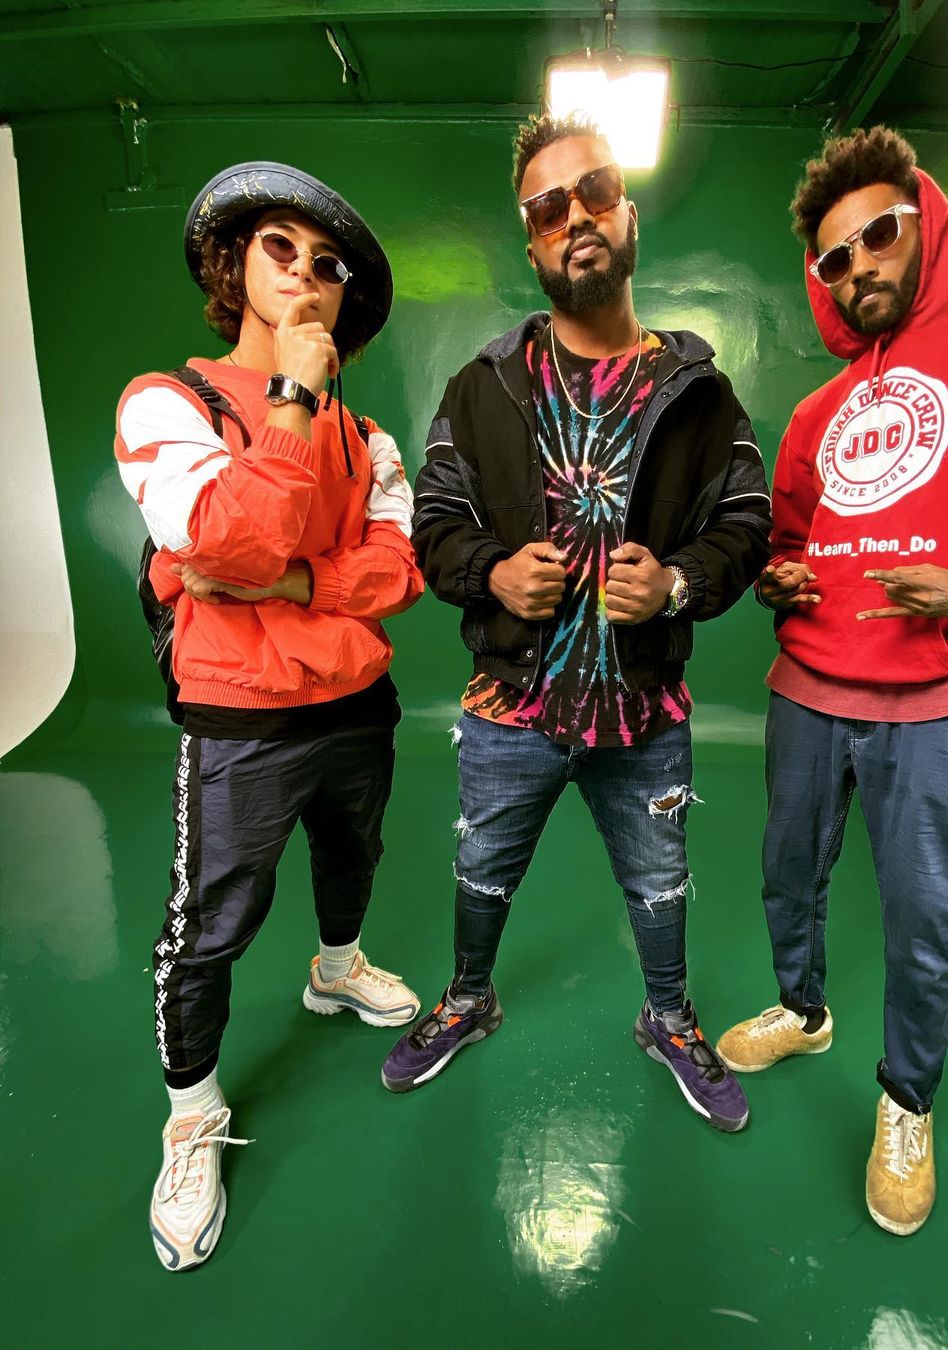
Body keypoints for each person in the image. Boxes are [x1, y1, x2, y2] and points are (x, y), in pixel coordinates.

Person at [717, 127, 948, 1235]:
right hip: (806, 689)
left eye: (879, 233)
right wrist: (780, 579)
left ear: (926, 221)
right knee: (788, 875)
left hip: (937, 704)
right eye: (834, 257)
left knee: (925, 917)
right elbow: (790, 542)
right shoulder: (818, 414)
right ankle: (804, 1009)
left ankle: (907, 1100)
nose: (859, 264)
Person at [380, 115, 771, 1130]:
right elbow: (433, 525)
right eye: (548, 207)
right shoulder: (481, 387)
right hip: (508, 707)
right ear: (532, 245)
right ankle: (467, 999)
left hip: (645, 711)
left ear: (628, 213)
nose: (576, 217)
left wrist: (676, 585)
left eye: (595, 190)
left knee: (661, 882)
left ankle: (669, 1018)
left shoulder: (701, 393)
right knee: (480, 870)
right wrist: (494, 573)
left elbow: (746, 522)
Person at [114, 161, 425, 1270]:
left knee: (353, 855)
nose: (303, 272)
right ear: (230, 267)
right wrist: (290, 396)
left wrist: (291, 583)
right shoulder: (167, 402)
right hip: (238, 716)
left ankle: (336, 967)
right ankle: (191, 1115)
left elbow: (399, 572)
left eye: (326, 263)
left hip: (357, 703)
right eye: (278, 249)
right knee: (211, 924)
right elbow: (220, 539)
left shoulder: (371, 438)